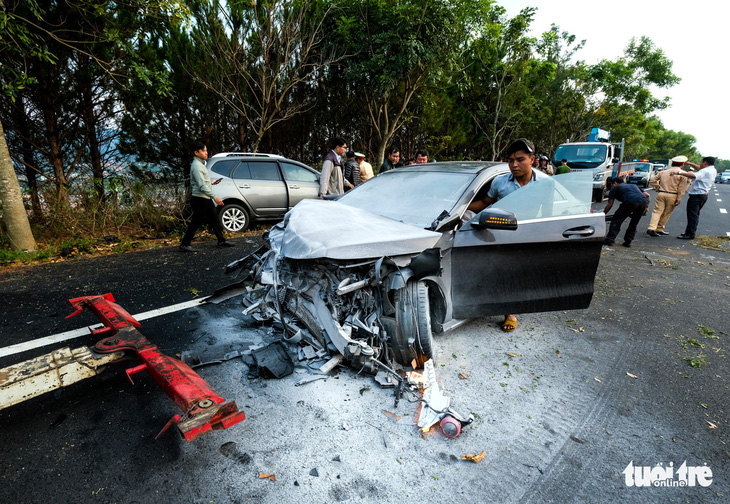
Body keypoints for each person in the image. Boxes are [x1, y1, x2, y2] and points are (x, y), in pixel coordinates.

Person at [467, 138, 549, 333]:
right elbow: (484, 203)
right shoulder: (499, 182)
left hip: (528, 233)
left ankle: (510, 311)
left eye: (520, 159)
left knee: (517, 274)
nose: (514, 165)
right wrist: (458, 207)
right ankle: (504, 309)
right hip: (501, 233)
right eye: (510, 160)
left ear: (532, 159)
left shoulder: (545, 184)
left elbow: (549, 214)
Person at [179, 140, 234, 252]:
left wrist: (211, 182)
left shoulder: (201, 164)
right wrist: (215, 197)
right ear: (196, 152)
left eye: (206, 150)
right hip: (199, 198)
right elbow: (201, 185)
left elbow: (203, 182)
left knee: (214, 218)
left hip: (205, 197)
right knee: (196, 221)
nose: (206, 153)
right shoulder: (196, 166)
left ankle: (221, 241)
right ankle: (184, 245)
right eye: (203, 151)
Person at [671, 156, 717, 239]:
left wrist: (679, 173)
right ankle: (690, 232)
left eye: (701, 162)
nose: (700, 164)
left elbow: (693, 175)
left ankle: (690, 234)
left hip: (697, 196)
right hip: (703, 195)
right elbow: (700, 169)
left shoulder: (705, 171)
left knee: (692, 215)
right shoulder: (712, 170)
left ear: (705, 163)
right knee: (695, 215)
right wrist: (690, 163)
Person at [646, 155, 691, 237]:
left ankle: (651, 228)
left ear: (672, 163)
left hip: (661, 193)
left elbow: (652, 180)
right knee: (667, 213)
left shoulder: (663, 172)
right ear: (682, 164)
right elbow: (682, 187)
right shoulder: (683, 174)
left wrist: (657, 186)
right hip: (672, 195)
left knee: (657, 211)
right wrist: (679, 198)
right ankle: (659, 228)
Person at [602, 177, 650, 248]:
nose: (612, 186)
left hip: (629, 202)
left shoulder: (615, 188)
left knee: (616, 220)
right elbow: (647, 195)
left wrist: (603, 214)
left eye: (612, 184)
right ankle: (628, 242)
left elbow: (610, 204)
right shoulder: (633, 185)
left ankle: (609, 240)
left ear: (615, 183)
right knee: (634, 222)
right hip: (644, 202)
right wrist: (646, 208)